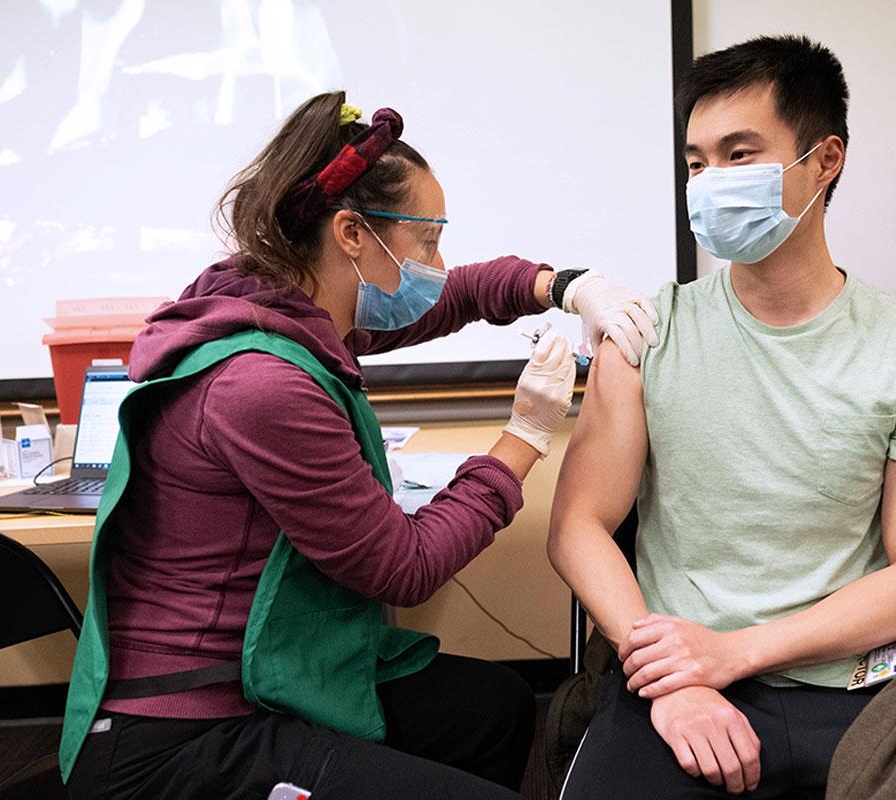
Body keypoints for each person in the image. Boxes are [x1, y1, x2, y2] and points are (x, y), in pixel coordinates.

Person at [59, 91, 659, 799]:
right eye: (427, 239)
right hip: (182, 733)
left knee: (489, 707)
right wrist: (524, 436)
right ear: (351, 233)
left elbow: (457, 295)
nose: (438, 261)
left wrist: (565, 286)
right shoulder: (261, 383)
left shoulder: (281, 307)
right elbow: (404, 569)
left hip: (262, 672)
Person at [549, 35, 896, 798]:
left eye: (740, 155)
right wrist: (674, 679)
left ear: (824, 158)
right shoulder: (648, 334)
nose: (710, 183)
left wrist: (736, 652)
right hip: (683, 680)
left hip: (863, 684)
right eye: (696, 163)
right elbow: (577, 525)